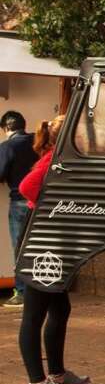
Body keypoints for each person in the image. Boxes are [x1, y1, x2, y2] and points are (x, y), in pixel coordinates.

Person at [18, 115, 91, 384]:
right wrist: (47, 208)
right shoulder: (53, 160)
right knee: (34, 314)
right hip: (40, 242)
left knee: (60, 309)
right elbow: (26, 187)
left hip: (52, 240)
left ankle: (58, 374)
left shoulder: (61, 159)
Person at [0, 111, 38, 307]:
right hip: (39, 202)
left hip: (18, 202)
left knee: (19, 247)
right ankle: (39, 288)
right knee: (36, 244)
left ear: (6, 128)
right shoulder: (37, 141)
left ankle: (22, 292)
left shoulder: (8, 146)